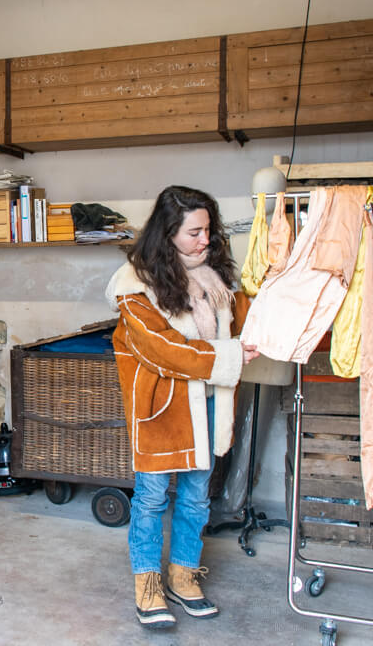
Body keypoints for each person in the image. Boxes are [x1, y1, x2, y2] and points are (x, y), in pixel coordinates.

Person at [105, 185, 259, 630]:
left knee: (195, 497)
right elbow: (164, 350)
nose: (204, 240)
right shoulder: (136, 287)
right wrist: (228, 357)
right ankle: (147, 585)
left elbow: (244, 324)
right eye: (194, 232)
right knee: (152, 499)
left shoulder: (215, 281)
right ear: (168, 233)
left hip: (208, 406)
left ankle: (183, 576)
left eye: (208, 231)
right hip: (162, 413)